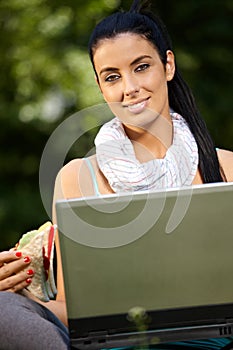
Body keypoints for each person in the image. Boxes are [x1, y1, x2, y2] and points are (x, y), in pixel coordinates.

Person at [0, 0, 233, 349]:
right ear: (100, 87)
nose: (129, 88)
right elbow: (72, 312)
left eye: (141, 67)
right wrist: (21, 293)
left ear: (168, 65)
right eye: (112, 77)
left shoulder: (226, 167)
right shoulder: (76, 178)